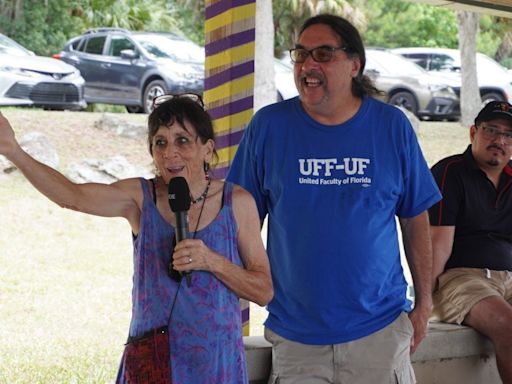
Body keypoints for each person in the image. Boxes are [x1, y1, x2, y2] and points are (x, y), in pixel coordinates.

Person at [227, 13, 441, 384]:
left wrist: (424, 304)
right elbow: (239, 221)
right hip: (297, 339)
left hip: (380, 331)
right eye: (300, 54)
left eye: (323, 54)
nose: (308, 65)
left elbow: (414, 218)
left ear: (354, 64)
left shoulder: (391, 127)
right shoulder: (269, 127)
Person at [0, 94, 273, 384]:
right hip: (152, 361)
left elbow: (263, 291)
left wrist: (213, 261)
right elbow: (72, 196)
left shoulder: (237, 202)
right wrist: (12, 150)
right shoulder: (141, 198)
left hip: (216, 365)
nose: (170, 153)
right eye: (160, 142)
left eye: (182, 140)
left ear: (207, 149)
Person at [429, 100, 512, 383]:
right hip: (461, 278)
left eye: (508, 135)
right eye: (491, 130)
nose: (499, 140)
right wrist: (422, 303)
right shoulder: (449, 172)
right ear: (473, 133)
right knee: (508, 325)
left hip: (508, 278)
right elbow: (436, 246)